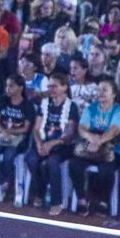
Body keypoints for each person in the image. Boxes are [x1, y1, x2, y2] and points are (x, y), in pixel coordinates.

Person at [67, 79, 120, 218]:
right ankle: (82, 198)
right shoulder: (91, 108)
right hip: (90, 147)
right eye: (99, 90)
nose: (101, 93)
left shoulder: (119, 111)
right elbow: (82, 129)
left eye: (105, 90)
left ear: (113, 94)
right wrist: (92, 139)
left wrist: (99, 141)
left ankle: (103, 201)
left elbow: (114, 131)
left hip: (112, 148)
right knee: (74, 164)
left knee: (107, 169)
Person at [32, 73, 78, 214]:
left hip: (62, 145)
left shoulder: (72, 106)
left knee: (52, 163)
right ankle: (40, 192)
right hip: (44, 142)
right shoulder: (45, 103)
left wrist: (51, 144)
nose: (51, 89)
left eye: (55, 86)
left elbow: (69, 134)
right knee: (31, 160)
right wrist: (40, 143)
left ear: (64, 87)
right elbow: (36, 128)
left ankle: (56, 201)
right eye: (49, 86)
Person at [0, 74, 35, 203]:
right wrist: (3, 131)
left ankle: (1, 183)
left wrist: (11, 132)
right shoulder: (3, 100)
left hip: (17, 139)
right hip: (1, 136)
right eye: (7, 86)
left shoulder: (27, 105)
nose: (8, 89)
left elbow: (26, 128)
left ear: (20, 88)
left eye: (11, 86)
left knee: (9, 157)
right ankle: (2, 183)